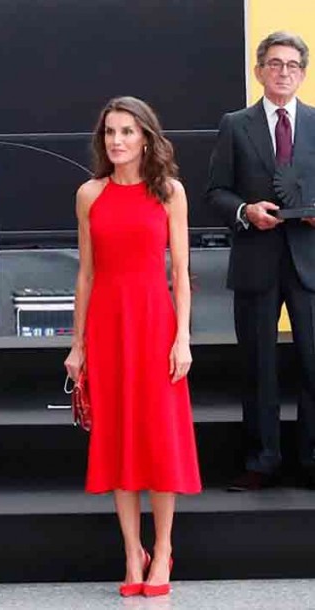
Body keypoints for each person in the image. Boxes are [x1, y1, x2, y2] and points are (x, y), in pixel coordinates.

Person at [64, 96, 201, 598]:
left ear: (146, 136)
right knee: (118, 438)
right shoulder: (89, 194)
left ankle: (162, 548)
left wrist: (182, 336)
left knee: (158, 438)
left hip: (155, 324)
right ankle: (131, 553)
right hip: (106, 325)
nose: (117, 141)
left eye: (126, 131)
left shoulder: (170, 193)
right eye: (109, 132)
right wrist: (77, 345)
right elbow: (85, 274)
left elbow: (181, 273)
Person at [207, 31, 315, 491]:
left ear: (303, 73)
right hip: (256, 259)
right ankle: (262, 460)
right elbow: (215, 192)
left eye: (292, 65)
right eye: (275, 64)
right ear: (259, 71)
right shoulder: (235, 124)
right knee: (258, 365)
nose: (283, 72)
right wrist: (244, 212)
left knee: (314, 364)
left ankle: (310, 460)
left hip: (310, 264)